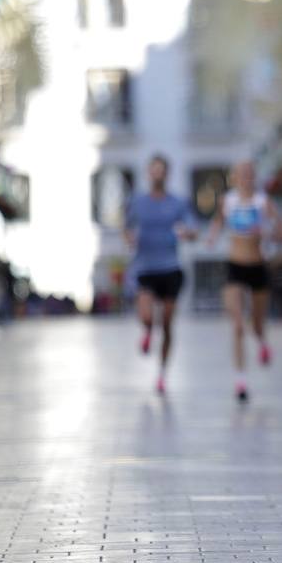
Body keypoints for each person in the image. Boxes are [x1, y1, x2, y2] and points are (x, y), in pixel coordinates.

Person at [207, 160, 282, 401]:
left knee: (257, 325)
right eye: (241, 173)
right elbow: (217, 225)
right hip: (234, 266)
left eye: (249, 173)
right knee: (238, 324)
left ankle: (262, 343)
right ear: (234, 177)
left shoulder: (263, 202)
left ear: (254, 176)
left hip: (258, 266)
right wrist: (210, 238)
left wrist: (268, 233)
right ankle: (240, 381)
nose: (245, 177)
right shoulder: (227, 201)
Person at [125, 154, 197, 395]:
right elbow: (126, 227)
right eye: (153, 170)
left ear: (167, 174)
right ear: (148, 173)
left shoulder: (178, 202)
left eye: (161, 170)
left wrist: (187, 234)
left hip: (170, 268)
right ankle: (147, 331)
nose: (157, 174)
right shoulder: (138, 202)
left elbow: (192, 228)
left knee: (167, 324)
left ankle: (162, 374)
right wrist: (130, 239)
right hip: (145, 267)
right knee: (147, 316)